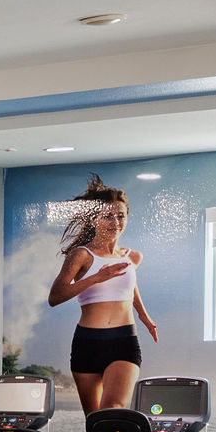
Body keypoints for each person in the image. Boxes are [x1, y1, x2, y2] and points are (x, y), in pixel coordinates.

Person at [47, 174, 157, 412]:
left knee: (113, 408)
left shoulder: (132, 256)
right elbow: (55, 297)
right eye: (107, 216)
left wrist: (144, 316)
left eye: (121, 216)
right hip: (88, 342)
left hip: (124, 340)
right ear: (94, 219)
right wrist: (98, 277)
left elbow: (129, 287)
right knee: (95, 420)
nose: (115, 222)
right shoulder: (81, 255)